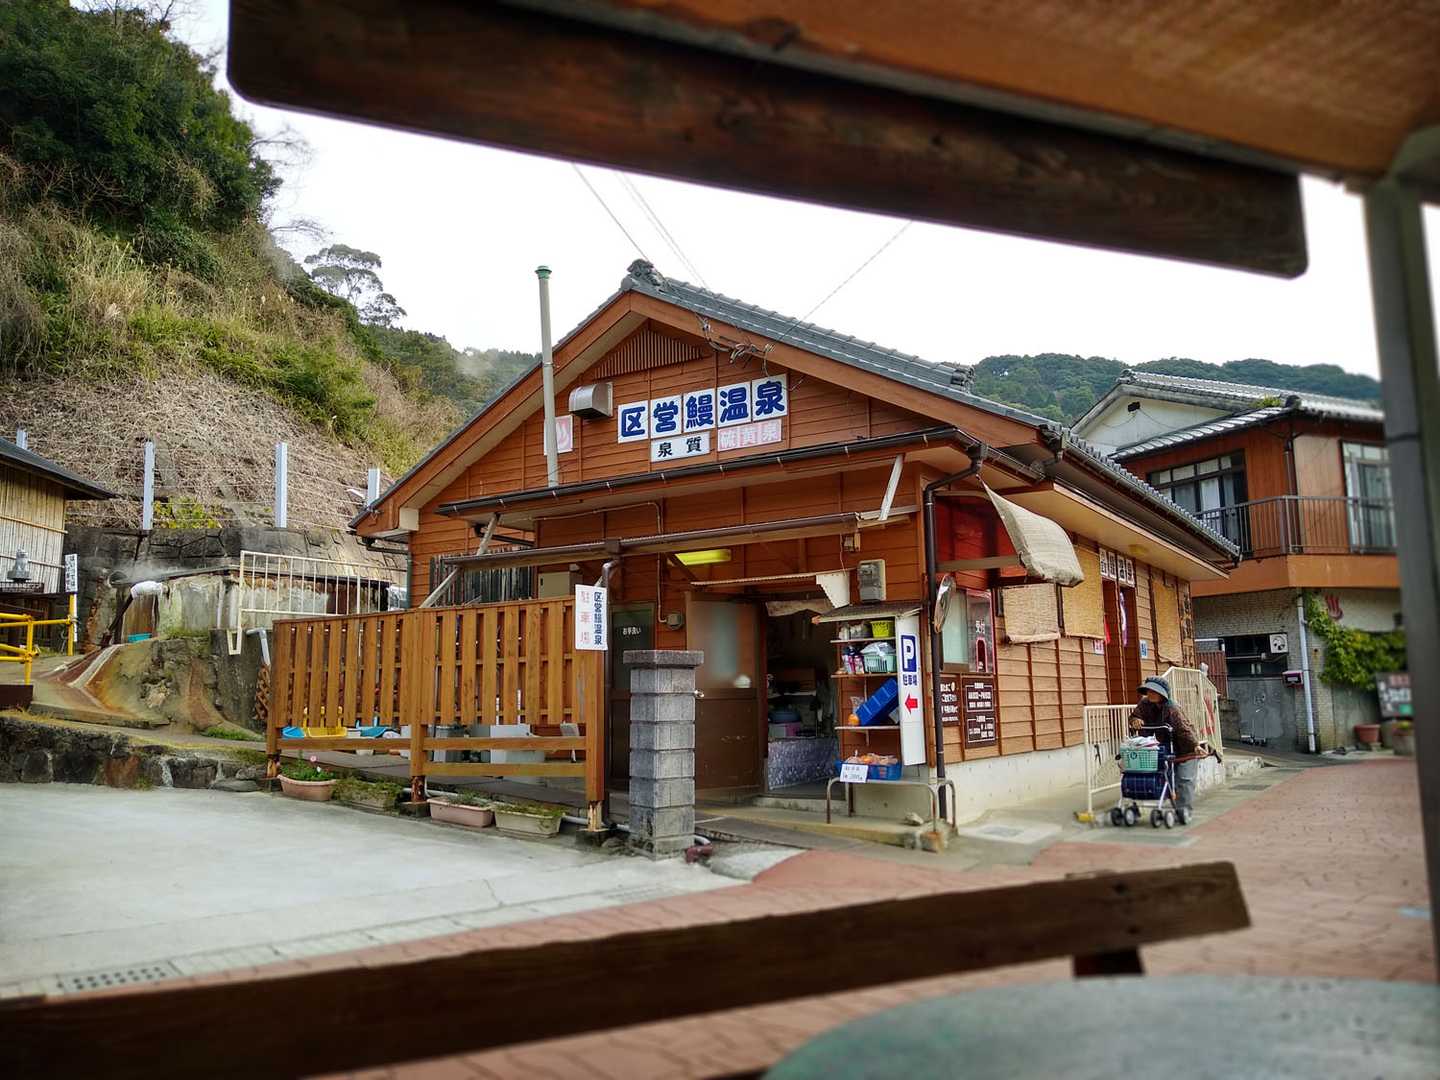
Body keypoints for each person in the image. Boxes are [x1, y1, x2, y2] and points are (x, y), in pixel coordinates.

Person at [1129, 677, 1205, 816]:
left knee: (1185, 780)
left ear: (1162, 694)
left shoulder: (1172, 708)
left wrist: (1195, 745)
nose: (1150, 694)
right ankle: (1173, 807)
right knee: (1167, 780)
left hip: (1185, 747)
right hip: (1164, 747)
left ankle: (1184, 812)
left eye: (1154, 691)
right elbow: (1134, 716)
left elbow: (1184, 729)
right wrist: (1136, 720)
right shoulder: (1144, 704)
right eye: (1148, 691)